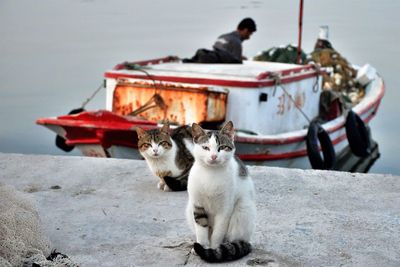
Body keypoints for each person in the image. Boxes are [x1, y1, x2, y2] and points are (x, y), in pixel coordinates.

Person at [183, 18, 257, 64]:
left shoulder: (222, 36)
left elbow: (222, 53)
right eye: (250, 34)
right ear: (245, 30)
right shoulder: (236, 42)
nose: (249, 37)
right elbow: (236, 63)